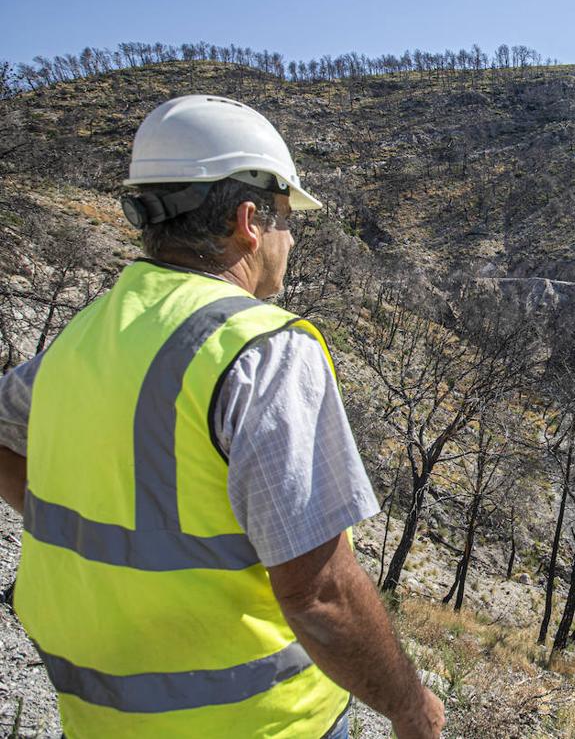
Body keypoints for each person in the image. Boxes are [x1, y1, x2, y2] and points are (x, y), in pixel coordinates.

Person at [0, 95, 445, 738]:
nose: (290, 238)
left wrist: (52, 519)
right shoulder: (263, 350)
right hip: (257, 723)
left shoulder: (90, 331)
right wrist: (411, 706)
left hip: (99, 717)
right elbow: (318, 593)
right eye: (287, 218)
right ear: (248, 221)